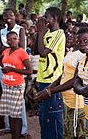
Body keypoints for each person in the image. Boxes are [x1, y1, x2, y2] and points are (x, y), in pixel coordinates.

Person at [34, 31, 86, 139]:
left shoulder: (82, 55)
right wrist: (50, 87)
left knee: (77, 134)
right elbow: (64, 74)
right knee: (66, 133)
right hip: (66, 100)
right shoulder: (71, 52)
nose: (69, 35)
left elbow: (75, 80)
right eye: (70, 33)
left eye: (74, 34)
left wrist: (51, 91)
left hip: (76, 102)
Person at [35, 7, 66, 139]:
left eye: (46, 16)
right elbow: (36, 50)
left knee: (53, 117)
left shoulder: (59, 34)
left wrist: (41, 33)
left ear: (54, 19)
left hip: (52, 81)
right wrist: (39, 33)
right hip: (43, 79)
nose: (44, 18)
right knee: (44, 117)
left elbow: (43, 52)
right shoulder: (46, 33)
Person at [0, 31, 33, 139]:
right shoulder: (6, 51)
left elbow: (29, 71)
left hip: (17, 86)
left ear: (18, 40)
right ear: (6, 41)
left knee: (16, 115)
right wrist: (4, 68)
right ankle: (14, 135)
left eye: (14, 38)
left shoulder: (22, 52)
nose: (12, 41)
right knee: (10, 113)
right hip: (6, 85)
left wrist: (11, 69)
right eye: (9, 39)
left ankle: (17, 136)